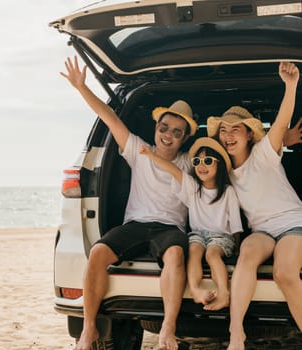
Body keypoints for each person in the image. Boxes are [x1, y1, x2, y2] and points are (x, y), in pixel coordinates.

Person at [61, 55, 198, 350]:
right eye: (164, 127)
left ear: (185, 137)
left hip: (169, 228)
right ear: (156, 127)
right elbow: (109, 117)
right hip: (135, 225)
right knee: (97, 252)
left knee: (175, 256)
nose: (168, 135)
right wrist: (81, 87)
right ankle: (88, 330)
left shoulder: (189, 162)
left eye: (177, 132)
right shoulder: (139, 148)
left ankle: (167, 329)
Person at [206, 62, 302, 350]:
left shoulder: (265, 153)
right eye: (224, 130)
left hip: (292, 224)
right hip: (262, 231)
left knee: (284, 274)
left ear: (250, 135)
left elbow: (282, 124)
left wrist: (291, 85)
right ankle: (236, 335)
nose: (229, 135)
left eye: (237, 129)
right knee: (246, 254)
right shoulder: (221, 168)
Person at [140, 137, 242, 311]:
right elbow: (174, 170)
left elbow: (235, 222)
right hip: (197, 234)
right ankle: (195, 290)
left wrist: (238, 247)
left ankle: (224, 293)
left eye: (208, 161)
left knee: (211, 255)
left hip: (221, 236)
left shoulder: (228, 191)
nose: (202, 165)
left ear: (220, 166)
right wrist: (151, 155)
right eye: (197, 161)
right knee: (194, 252)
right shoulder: (193, 187)